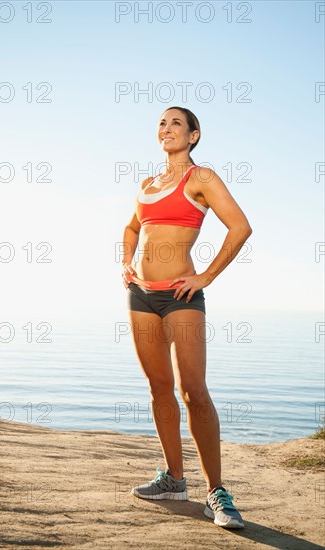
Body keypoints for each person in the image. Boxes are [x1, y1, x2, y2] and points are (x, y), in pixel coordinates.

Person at [121, 106, 252, 529]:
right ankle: (175, 479)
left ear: (194, 136)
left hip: (181, 297)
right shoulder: (147, 184)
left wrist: (205, 277)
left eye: (176, 123)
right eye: (162, 122)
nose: (167, 128)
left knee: (193, 390)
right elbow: (131, 228)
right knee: (159, 388)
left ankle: (217, 492)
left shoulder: (202, 178)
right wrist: (126, 262)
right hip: (140, 295)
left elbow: (240, 227)